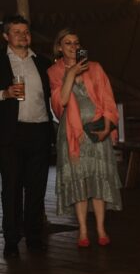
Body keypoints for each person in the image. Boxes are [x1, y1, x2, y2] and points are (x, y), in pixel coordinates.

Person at [47, 29, 122, 247]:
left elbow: (108, 99)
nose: (72, 46)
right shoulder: (54, 71)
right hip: (72, 134)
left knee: (98, 181)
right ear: (59, 47)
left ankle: (100, 229)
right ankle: (82, 231)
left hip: (97, 133)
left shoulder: (95, 67)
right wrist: (70, 73)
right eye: (67, 43)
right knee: (79, 182)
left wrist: (107, 127)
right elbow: (60, 101)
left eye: (76, 43)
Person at [0, 15, 54, 257]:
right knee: (11, 188)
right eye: (16, 31)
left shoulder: (42, 63)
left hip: (40, 130)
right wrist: (4, 93)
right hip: (11, 133)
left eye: (25, 31)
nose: (22, 35)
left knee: (36, 188)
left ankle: (34, 236)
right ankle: (11, 240)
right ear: (6, 36)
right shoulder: (0, 61)